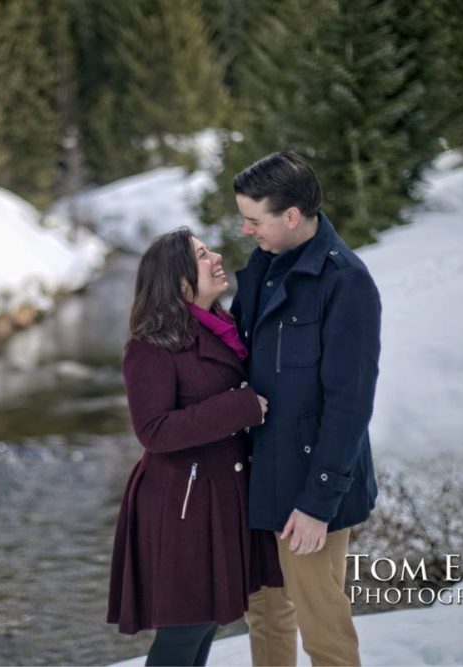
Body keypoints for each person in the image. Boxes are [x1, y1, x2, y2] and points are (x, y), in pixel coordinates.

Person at [229, 151, 381, 666]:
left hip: (310, 487)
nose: (246, 229)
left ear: (291, 215)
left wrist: (319, 502)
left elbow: (352, 402)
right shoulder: (262, 268)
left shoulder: (345, 281)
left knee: (323, 627)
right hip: (259, 475)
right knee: (266, 618)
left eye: (254, 218)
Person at [107, 228, 284, 666]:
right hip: (181, 504)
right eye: (203, 255)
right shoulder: (150, 347)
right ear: (179, 278)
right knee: (185, 629)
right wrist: (240, 406)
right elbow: (154, 430)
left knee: (205, 623)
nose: (217, 256)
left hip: (220, 497)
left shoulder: (221, 328)